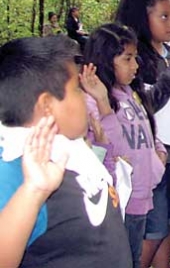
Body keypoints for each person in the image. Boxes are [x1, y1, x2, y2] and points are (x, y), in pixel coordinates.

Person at [0, 35, 132, 268]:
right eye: (77, 90)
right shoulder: (16, 170)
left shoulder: (69, 149)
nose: (84, 96)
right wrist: (33, 191)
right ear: (48, 106)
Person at [81, 23, 170, 268]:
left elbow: (148, 126)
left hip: (141, 193)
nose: (135, 65)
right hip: (120, 201)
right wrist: (104, 105)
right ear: (105, 60)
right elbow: (111, 149)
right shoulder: (91, 102)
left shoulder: (130, 92)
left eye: (135, 57)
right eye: (127, 59)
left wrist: (158, 154)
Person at [115, 0, 170, 268]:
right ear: (142, 18)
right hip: (153, 159)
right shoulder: (135, 61)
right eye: (164, 16)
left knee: (167, 228)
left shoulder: (165, 53)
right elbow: (147, 105)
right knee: (153, 230)